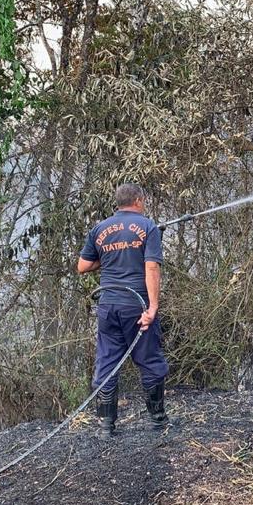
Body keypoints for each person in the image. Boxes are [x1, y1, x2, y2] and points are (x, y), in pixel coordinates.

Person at [77, 183, 169, 436]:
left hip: (108, 306)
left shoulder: (99, 229)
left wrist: (108, 257)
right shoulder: (148, 227)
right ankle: (159, 422)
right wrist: (152, 307)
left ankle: (106, 427)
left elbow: (82, 266)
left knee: (107, 362)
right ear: (139, 200)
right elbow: (151, 267)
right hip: (136, 306)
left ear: (118, 203)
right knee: (150, 361)